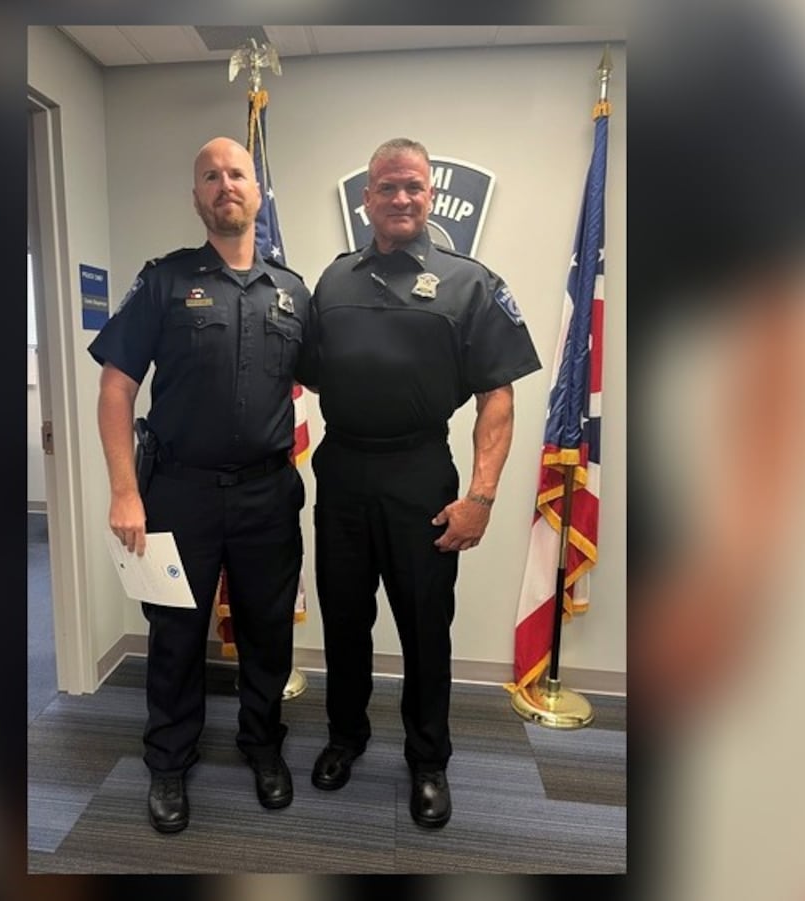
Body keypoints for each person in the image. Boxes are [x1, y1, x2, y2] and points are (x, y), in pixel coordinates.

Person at [297, 138, 542, 829]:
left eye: (414, 188)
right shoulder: (333, 280)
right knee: (345, 620)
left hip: (421, 476)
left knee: (425, 628)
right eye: (387, 188)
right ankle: (347, 735)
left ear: (429, 195)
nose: (401, 199)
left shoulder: (470, 282)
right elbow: (315, 372)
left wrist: (483, 496)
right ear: (366, 198)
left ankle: (428, 759)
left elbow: (499, 396)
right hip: (343, 470)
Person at [87, 136, 311, 834]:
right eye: (209, 176)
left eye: (236, 173)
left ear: (257, 190)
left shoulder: (293, 290)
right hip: (177, 492)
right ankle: (167, 761)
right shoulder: (162, 281)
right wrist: (125, 491)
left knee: (268, 633)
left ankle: (262, 745)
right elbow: (116, 388)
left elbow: (337, 378)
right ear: (196, 197)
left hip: (267, 493)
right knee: (176, 636)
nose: (225, 185)